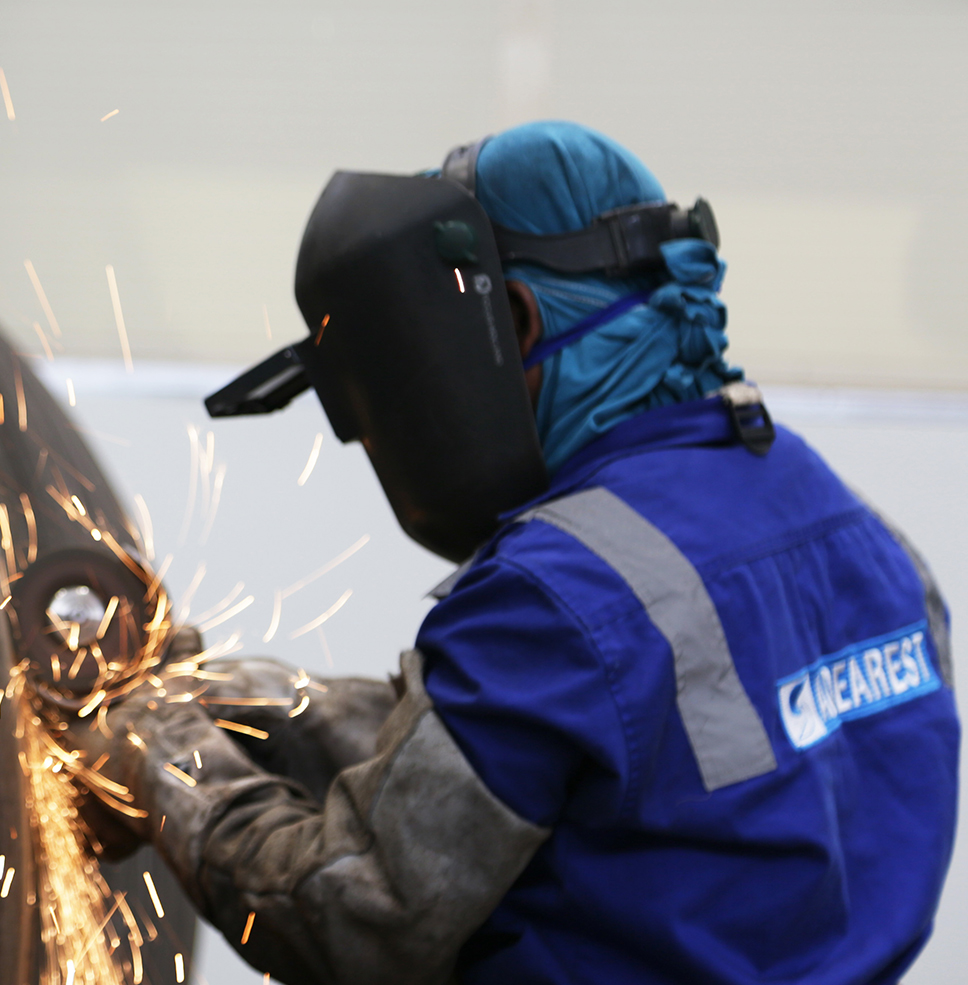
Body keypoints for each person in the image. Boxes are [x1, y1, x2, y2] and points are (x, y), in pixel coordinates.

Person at [68, 121, 958, 984]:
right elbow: (616, 761)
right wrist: (253, 703)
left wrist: (156, 753)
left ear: (515, 325)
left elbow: (352, 915)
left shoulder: (556, 592)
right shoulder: (859, 535)